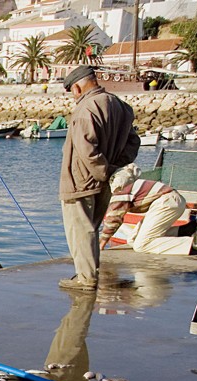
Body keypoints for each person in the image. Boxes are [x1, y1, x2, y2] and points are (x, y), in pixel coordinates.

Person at [59, 65, 141, 292]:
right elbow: (134, 142)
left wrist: (104, 170)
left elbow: (86, 149)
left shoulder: (86, 108)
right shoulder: (121, 106)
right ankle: (88, 273)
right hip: (104, 182)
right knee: (91, 228)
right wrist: (116, 168)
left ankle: (86, 278)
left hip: (80, 182)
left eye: (72, 92)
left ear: (76, 87)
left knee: (80, 229)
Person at [98, 163, 197, 257]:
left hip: (166, 202)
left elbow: (113, 220)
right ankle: (185, 231)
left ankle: (193, 243)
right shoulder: (127, 181)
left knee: (141, 245)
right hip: (172, 200)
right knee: (133, 239)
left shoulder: (119, 189)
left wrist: (101, 244)